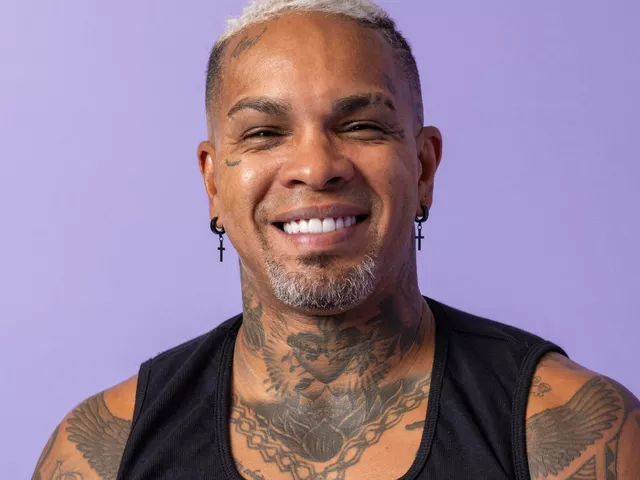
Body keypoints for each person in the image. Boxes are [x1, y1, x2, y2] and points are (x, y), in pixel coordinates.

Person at [32, 1, 639, 479]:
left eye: (361, 126)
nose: (316, 167)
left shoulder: (569, 431)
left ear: (424, 168)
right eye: (265, 133)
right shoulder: (101, 453)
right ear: (213, 183)